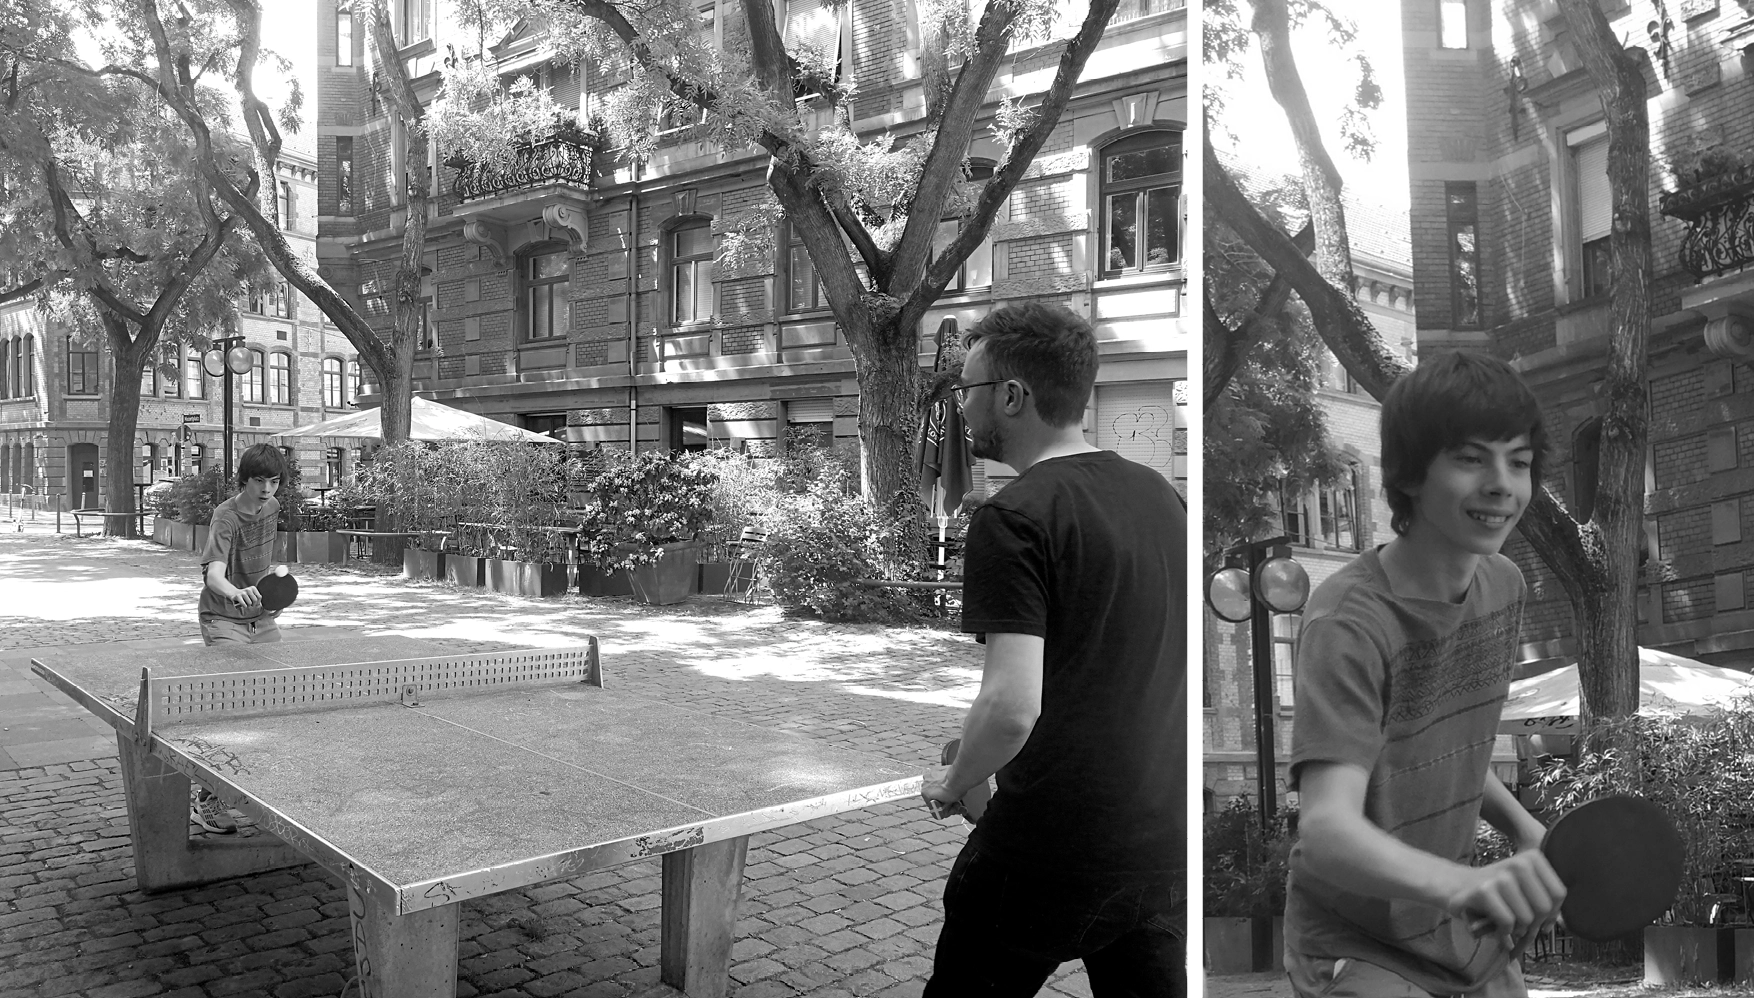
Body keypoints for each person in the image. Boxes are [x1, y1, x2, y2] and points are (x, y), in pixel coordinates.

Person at [919, 302, 1188, 997]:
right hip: (1158, 842)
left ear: (1012, 396)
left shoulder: (1014, 515)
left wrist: (955, 783)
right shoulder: (1162, 497)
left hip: (1046, 849)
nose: (962, 408)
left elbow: (1011, 706)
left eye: (968, 391)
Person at [1284, 351, 1566, 998]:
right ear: (1410, 475)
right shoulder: (1348, 622)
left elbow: (1441, 743)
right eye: (1471, 458)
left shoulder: (1503, 586)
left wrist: (1521, 825)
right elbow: (1326, 832)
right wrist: (1467, 883)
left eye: (1518, 463)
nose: (1501, 483)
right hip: (1356, 940)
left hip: (1453, 927)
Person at [191, 443, 288, 832]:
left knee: (282, 699)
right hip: (222, 617)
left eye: (274, 481)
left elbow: (267, 563)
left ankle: (252, 789)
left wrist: (274, 595)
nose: (267, 489)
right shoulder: (225, 517)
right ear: (244, 480)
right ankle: (207, 800)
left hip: (260, 618)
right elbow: (213, 574)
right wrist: (234, 592)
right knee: (236, 706)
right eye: (259, 480)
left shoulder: (273, 508)